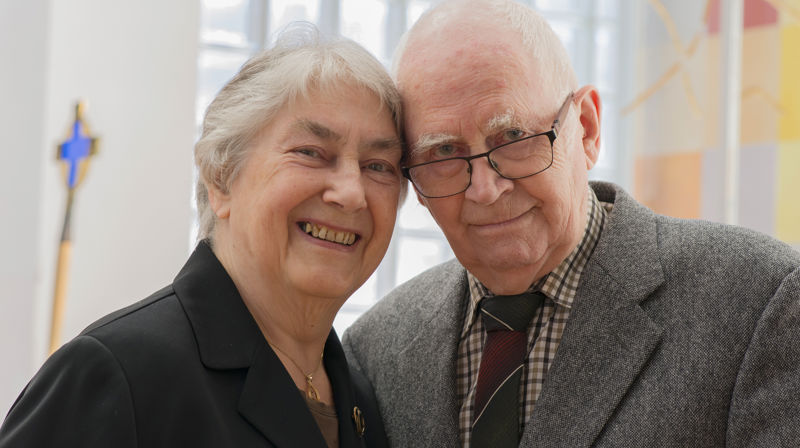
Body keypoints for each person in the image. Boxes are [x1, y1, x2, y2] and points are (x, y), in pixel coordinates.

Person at [342, 1, 800, 446]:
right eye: (443, 152)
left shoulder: (762, 303)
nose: (484, 188)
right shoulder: (375, 350)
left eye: (513, 137)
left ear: (586, 128)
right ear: (415, 184)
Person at [0, 24, 405, 448]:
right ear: (221, 178)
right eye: (310, 152)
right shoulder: (118, 376)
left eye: (379, 165)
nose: (351, 193)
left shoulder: (360, 401)